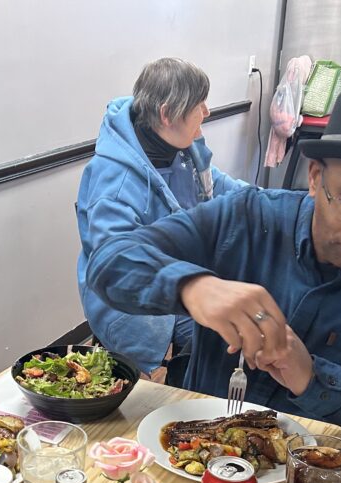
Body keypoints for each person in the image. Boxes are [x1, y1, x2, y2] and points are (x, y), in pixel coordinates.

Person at [86, 88, 341, 455]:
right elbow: (109, 261)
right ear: (315, 179)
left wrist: (316, 378)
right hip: (198, 467)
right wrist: (193, 286)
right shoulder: (246, 220)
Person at [76, 57, 248, 383]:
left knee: (231, 323)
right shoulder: (115, 181)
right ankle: (186, 395)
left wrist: (266, 205)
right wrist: (194, 286)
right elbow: (117, 268)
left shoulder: (184, 149)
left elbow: (221, 186)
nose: (207, 112)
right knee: (221, 333)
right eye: (199, 104)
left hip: (176, 277)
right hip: (129, 296)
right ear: (168, 114)